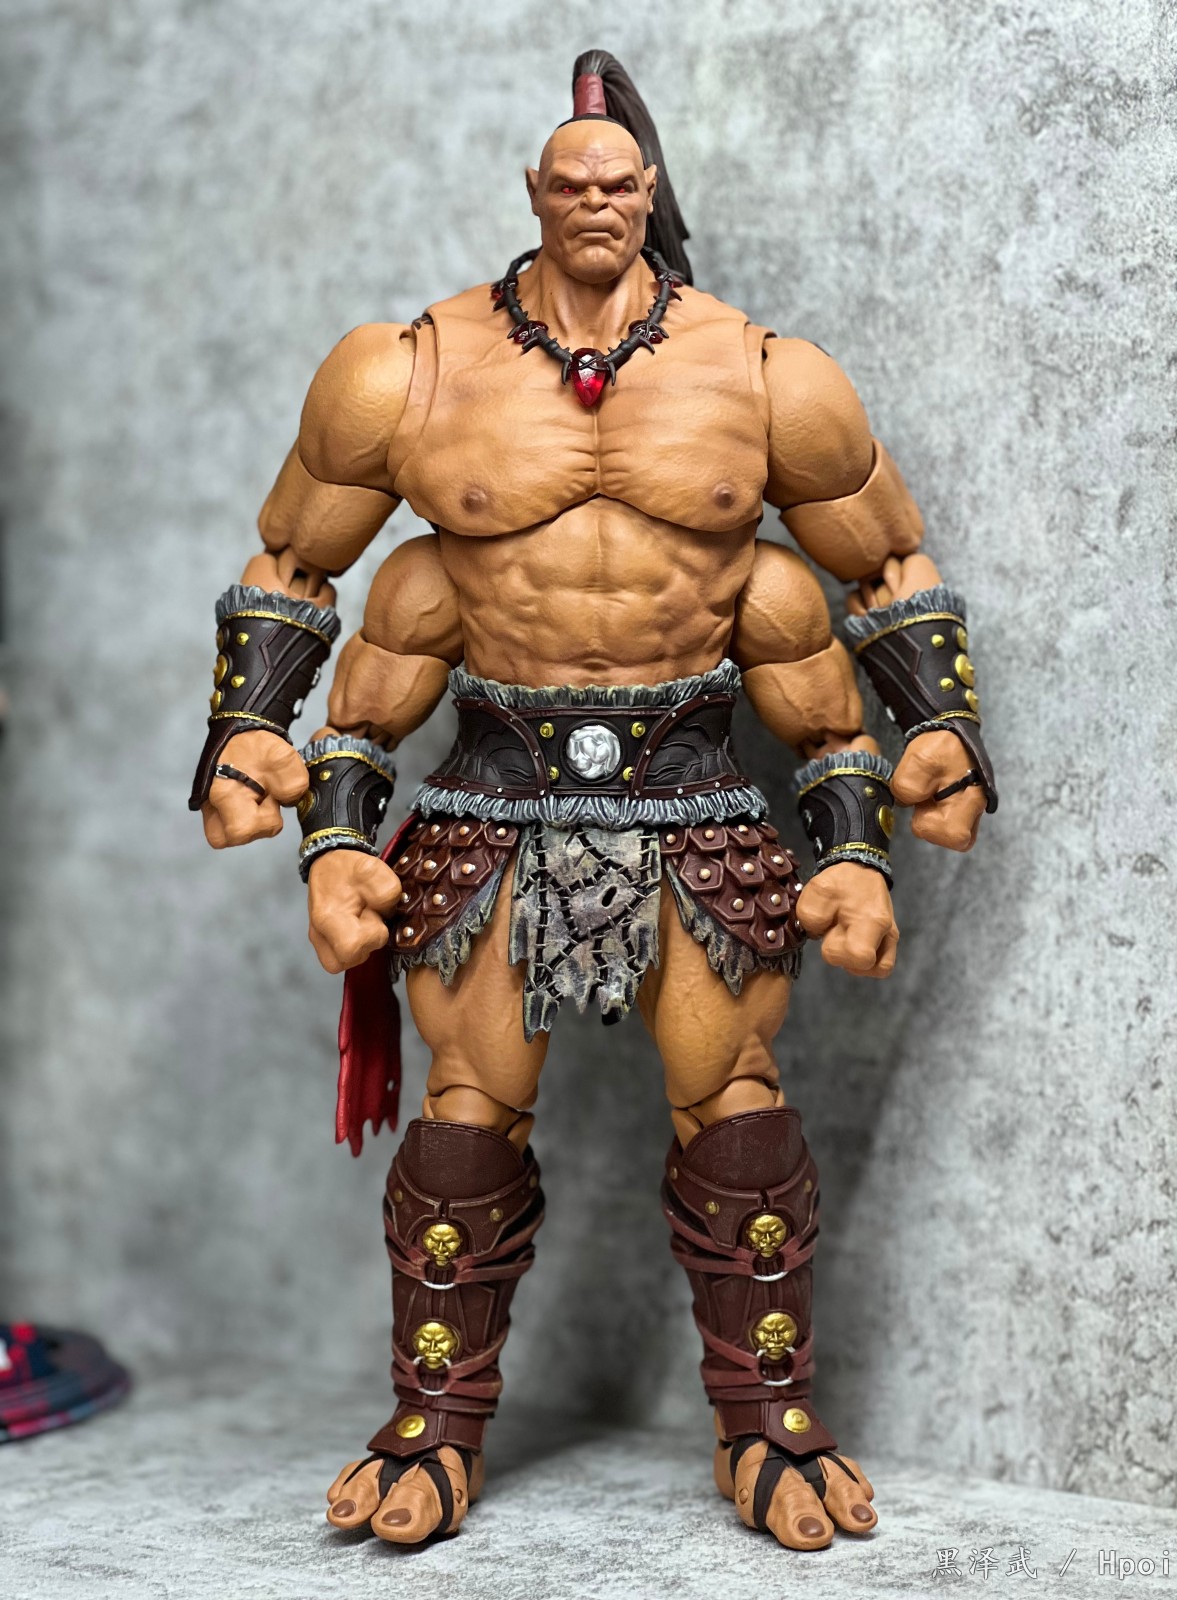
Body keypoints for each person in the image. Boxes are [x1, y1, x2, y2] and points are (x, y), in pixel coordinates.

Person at [189, 50, 996, 1553]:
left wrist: (926, 753)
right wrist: (266, 760)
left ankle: (770, 1421)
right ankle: (434, 1424)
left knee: (738, 1107)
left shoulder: (761, 374)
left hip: (697, 791)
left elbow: (879, 569)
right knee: (465, 1114)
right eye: (571, 184)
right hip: (492, 794)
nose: (597, 205)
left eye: (619, 183)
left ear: (649, 189)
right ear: (535, 193)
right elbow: (299, 560)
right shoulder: (413, 368)